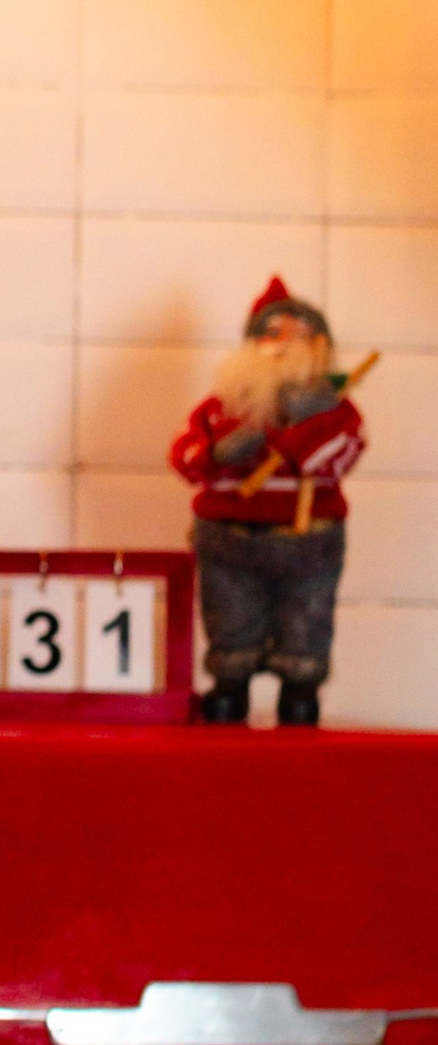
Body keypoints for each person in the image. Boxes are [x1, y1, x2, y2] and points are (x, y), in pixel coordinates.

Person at [171, 276, 368, 728]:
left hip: (308, 538)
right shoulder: (221, 407)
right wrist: (219, 453)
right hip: (227, 537)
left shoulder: (335, 412)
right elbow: (185, 459)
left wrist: (307, 426)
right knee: (229, 615)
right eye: (271, 335)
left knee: (307, 616)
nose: (282, 346)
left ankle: (300, 691)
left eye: (297, 337)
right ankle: (230, 687)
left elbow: (336, 462)